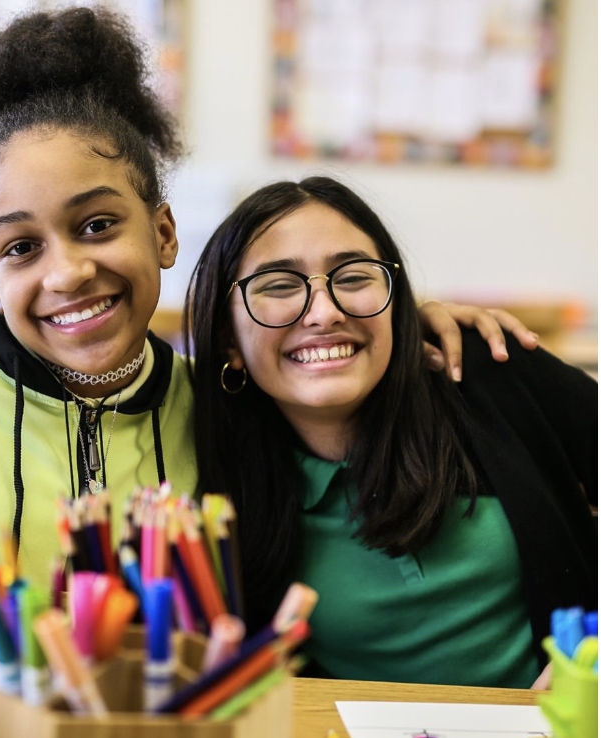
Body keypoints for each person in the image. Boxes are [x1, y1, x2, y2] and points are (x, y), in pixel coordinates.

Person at [0, 6, 536, 657]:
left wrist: (414, 319)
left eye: (97, 225)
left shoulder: (217, 404)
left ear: (163, 232)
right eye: (21, 247)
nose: (66, 273)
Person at [183, 176, 597, 689]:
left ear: (396, 298)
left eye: (355, 277)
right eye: (278, 285)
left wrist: (591, 657)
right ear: (229, 338)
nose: (325, 312)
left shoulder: (485, 367)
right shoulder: (222, 473)